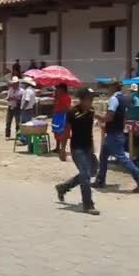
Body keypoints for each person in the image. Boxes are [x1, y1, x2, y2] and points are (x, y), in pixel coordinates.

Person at [94, 80, 139, 193]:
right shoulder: (123, 98)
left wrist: (96, 115)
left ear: (113, 87)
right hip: (117, 132)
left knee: (123, 159)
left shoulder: (114, 99)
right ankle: (100, 180)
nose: (107, 88)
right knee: (103, 157)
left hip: (113, 134)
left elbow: (109, 117)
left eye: (108, 86)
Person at [55, 87, 100, 215]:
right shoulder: (72, 112)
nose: (90, 102)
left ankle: (64, 187)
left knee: (92, 171)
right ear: (81, 99)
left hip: (87, 148)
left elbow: (89, 131)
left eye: (91, 99)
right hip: (77, 148)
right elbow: (66, 131)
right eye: (88, 99)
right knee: (85, 175)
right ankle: (88, 204)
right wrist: (62, 149)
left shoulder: (91, 111)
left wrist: (92, 147)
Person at [52, 83, 71, 154]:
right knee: (56, 131)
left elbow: (67, 108)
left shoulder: (66, 97)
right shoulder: (57, 96)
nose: (57, 89)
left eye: (58, 88)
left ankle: (62, 148)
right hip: (56, 115)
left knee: (62, 132)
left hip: (62, 116)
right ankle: (57, 147)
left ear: (62, 89)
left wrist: (60, 109)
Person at [18, 77, 37, 145]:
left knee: (24, 125)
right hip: (30, 109)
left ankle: (24, 140)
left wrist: (23, 108)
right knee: (28, 125)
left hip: (26, 110)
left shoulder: (28, 91)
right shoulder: (32, 90)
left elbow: (27, 100)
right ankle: (27, 139)